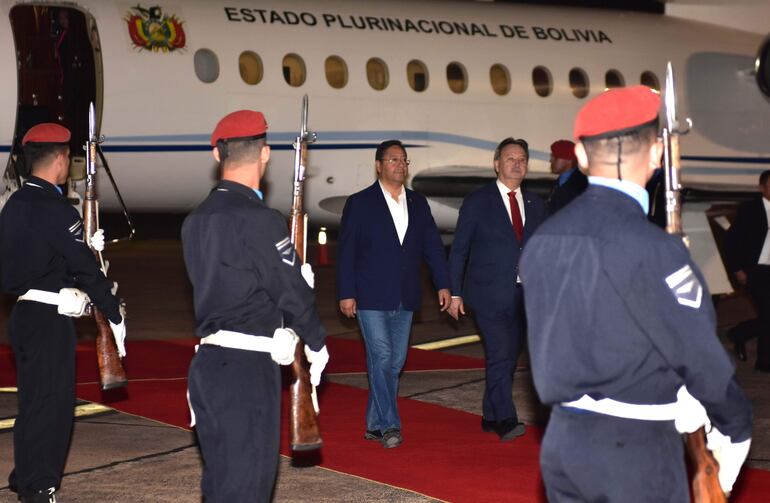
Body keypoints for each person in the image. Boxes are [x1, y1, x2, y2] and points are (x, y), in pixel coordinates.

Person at [519, 86, 752, 501]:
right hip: (636, 450)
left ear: (582, 155)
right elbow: (699, 355)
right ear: (658, 155)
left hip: (563, 444)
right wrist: (735, 426)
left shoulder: (543, 240)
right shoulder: (653, 248)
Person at [182, 110, 328, 501]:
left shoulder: (194, 221)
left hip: (207, 366)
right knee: (249, 487)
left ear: (217, 154)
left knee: (220, 484)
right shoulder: (260, 219)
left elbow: (234, 285)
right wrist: (315, 341)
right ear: (265, 154)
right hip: (246, 372)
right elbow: (289, 291)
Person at [0, 123, 125, 503]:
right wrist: (113, 311)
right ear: (59, 160)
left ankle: (25, 475)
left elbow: (40, 257)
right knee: (53, 407)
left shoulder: (14, 205)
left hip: (23, 315)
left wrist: (82, 244)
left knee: (33, 402)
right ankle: (40, 487)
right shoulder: (55, 208)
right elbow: (84, 268)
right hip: (50, 319)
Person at [337, 139, 451, 449]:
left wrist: (444, 284)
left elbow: (432, 247)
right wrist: (346, 292)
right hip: (370, 296)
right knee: (383, 356)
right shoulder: (360, 203)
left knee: (395, 362)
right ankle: (390, 426)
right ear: (379, 166)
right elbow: (347, 251)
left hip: (406, 296)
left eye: (404, 160)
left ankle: (374, 425)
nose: (400, 165)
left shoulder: (417, 202)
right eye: (393, 160)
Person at [447, 137, 546, 441]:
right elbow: (460, 249)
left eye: (522, 160)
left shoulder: (536, 204)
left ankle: (490, 415)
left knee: (508, 356)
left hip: (525, 295)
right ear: (496, 164)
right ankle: (505, 417)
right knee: (501, 352)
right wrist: (454, 292)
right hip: (488, 293)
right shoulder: (478, 201)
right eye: (510, 159)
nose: (517, 164)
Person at [725, 169, 770, 370]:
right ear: (762, 188)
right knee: (768, 314)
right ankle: (764, 363)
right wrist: (737, 269)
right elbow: (732, 242)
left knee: (767, 316)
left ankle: (739, 334)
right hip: (757, 271)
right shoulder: (749, 210)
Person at [546, 139, 587, 215]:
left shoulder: (581, 185)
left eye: (555, 157)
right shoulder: (561, 181)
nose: (551, 160)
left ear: (569, 160)